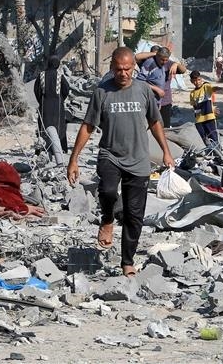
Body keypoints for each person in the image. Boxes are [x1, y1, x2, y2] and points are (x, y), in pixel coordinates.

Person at [67, 47, 176, 278]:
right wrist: (73, 159)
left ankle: (127, 262)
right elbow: (88, 126)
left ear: (134, 68)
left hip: (139, 160)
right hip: (110, 154)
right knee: (107, 191)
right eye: (118, 69)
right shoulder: (102, 92)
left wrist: (166, 152)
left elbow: (155, 122)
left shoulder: (143, 90)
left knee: (134, 216)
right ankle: (107, 219)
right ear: (112, 68)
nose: (123, 73)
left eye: (127, 69)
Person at [135, 46, 187, 127]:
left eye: (166, 59)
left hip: (165, 101)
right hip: (150, 101)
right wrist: (156, 89)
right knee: (151, 126)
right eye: (162, 59)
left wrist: (176, 64)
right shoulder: (148, 63)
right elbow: (139, 81)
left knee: (165, 127)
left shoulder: (168, 64)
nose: (164, 62)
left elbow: (183, 70)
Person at [33, 56, 70, 166]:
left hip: (45, 106)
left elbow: (36, 90)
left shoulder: (41, 75)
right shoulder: (60, 75)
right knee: (58, 128)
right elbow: (66, 89)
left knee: (43, 127)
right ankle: (59, 150)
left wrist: (41, 100)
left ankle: (42, 149)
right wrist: (61, 98)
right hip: (57, 106)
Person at [189, 72, 223, 147]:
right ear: (191, 81)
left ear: (201, 79)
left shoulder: (205, 86)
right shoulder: (192, 93)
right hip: (199, 120)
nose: (197, 82)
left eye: (198, 80)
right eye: (194, 81)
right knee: (203, 138)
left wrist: (220, 88)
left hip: (209, 117)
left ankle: (217, 151)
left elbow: (213, 88)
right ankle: (208, 151)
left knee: (213, 137)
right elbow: (194, 106)